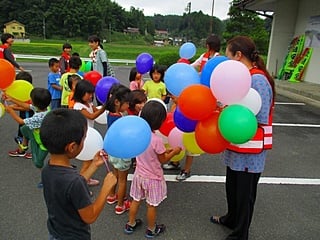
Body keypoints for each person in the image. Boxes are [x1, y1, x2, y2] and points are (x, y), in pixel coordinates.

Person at [210, 36, 275, 240]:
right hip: (237, 144)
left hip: (250, 148)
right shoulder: (243, 77)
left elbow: (261, 114)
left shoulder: (257, 79)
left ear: (239, 55)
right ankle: (231, 218)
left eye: (229, 57)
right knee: (233, 187)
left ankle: (240, 234)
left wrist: (232, 110)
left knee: (245, 194)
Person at [40, 108, 117, 240]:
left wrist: (93, 165)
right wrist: (105, 189)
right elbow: (90, 216)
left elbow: (69, 188)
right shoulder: (74, 182)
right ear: (72, 147)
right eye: (84, 138)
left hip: (56, 231)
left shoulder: (48, 169)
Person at [124, 101, 182, 238]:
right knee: (151, 205)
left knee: (136, 200)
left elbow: (151, 153)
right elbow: (162, 159)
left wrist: (166, 151)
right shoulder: (156, 140)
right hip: (153, 178)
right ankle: (151, 229)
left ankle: (130, 224)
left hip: (139, 175)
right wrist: (174, 152)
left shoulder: (139, 135)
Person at [4, 88, 51, 187]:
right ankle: (24, 144)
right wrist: (11, 99)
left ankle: (46, 178)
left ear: (34, 102)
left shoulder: (38, 117)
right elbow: (27, 106)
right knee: (25, 129)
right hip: (39, 135)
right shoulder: (46, 108)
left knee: (38, 162)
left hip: (43, 143)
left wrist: (11, 111)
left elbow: (21, 121)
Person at [104, 84, 132, 215]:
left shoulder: (110, 114)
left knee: (115, 175)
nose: (128, 106)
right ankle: (121, 205)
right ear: (117, 102)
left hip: (112, 151)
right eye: (126, 103)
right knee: (122, 180)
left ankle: (111, 196)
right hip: (121, 153)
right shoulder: (120, 119)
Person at [72, 80, 106, 186]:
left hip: (89, 135)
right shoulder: (78, 106)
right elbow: (92, 116)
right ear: (81, 93)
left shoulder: (89, 103)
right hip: (84, 137)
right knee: (87, 162)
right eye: (88, 94)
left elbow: (95, 110)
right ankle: (81, 184)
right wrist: (104, 107)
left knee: (90, 160)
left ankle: (87, 178)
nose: (91, 96)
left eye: (92, 93)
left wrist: (103, 107)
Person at [162, 92, 200, 181]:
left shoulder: (189, 107)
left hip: (190, 132)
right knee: (176, 145)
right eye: (170, 96)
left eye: (173, 96)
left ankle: (186, 170)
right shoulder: (174, 106)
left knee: (190, 151)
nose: (171, 98)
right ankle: (175, 162)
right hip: (177, 132)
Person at [8, 71, 34, 159]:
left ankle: (33, 152)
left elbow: (28, 107)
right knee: (23, 133)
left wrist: (13, 108)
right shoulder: (24, 92)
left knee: (28, 134)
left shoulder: (29, 94)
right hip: (24, 116)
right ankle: (21, 150)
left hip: (28, 117)